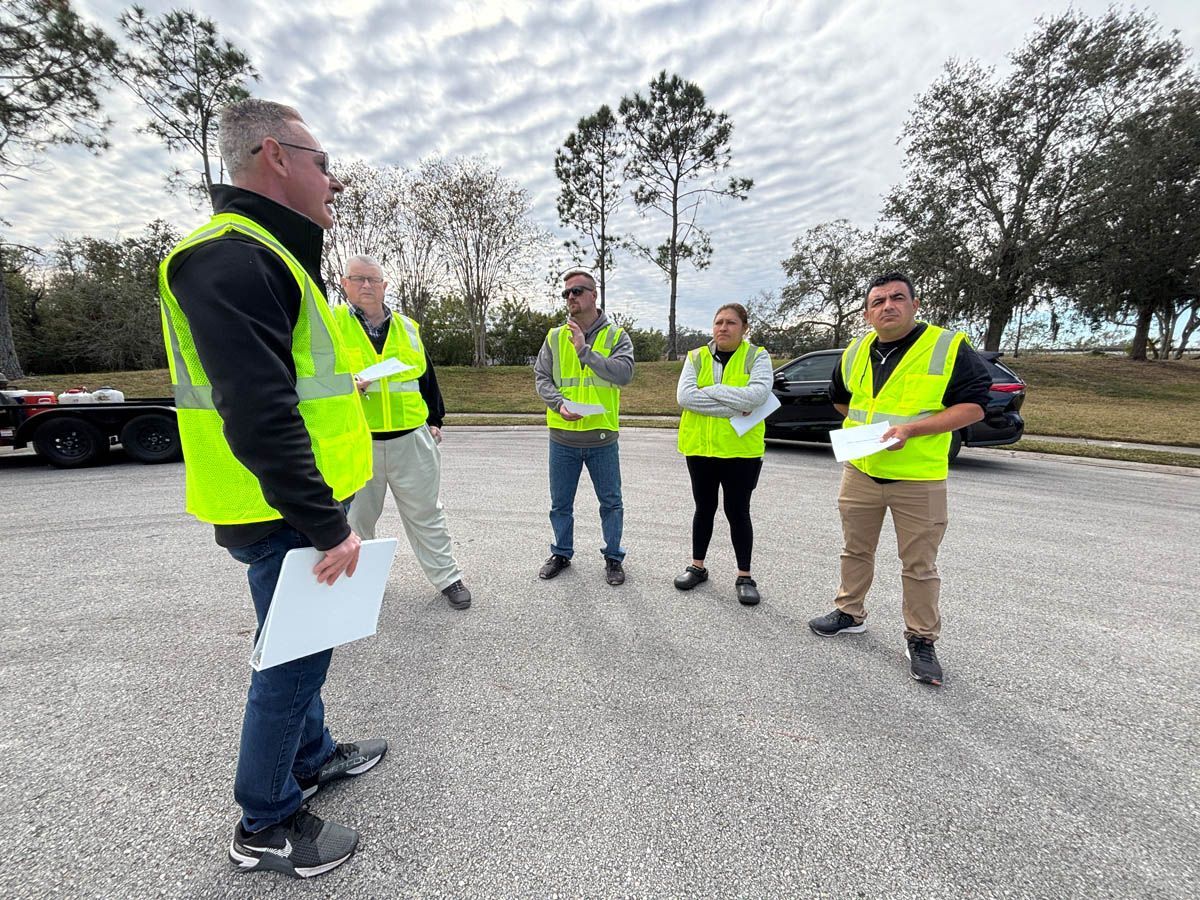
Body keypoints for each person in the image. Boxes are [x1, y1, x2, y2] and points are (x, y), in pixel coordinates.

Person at [159, 99, 387, 879]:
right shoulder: (228, 256)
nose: (334, 180)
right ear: (275, 155)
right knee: (290, 660)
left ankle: (313, 756)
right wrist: (327, 526)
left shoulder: (272, 253)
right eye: (324, 162)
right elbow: (258, 412)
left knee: (305, 644)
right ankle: (264, 821)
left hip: (289, 503)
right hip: (280, 509)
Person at [808, 272, 991, 686]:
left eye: (896, 298)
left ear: (915, 303)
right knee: (854, 550)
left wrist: (911, 431)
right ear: (868, 311)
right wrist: (868, 436)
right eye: (877, 301)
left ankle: (921, 638)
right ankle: (849, 612)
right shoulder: (856, 350)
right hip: (862, 471)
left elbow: (976, 406)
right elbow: (841, 399)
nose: (887, 306)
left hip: (918, 477)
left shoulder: (946, 346)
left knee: (919, 565)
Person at [332, 254, 472, 610]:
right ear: (344, 284)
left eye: (373, 280)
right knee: (356, 520)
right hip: (359, 439)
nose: (366, 286)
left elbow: (426, 377)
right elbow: (315, 377)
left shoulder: (408, 327)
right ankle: (358, 585)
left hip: (411, 439)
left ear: (384, 286)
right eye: (358, 279)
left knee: (427, 513)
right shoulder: (332, 325)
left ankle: (447, 577)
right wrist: (345, 386)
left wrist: (435, 419)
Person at [533, 268, 635, 586]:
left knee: (611, 503)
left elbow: (624, 374)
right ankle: (561, 553)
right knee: (560, 503)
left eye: (577, 291)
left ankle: (613, 558)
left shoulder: (617, 336)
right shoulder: (554, 337)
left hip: (601, 436)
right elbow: (542, 378)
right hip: (562, 437)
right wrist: (559, 404)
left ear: (594, 295)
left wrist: (584, 351)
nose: (570, 298)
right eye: (566, 293)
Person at [674, 303, 773, 605]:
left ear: (745, 328)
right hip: (700, 449)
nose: (723, 328)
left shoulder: (758, 356)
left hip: (741, 452)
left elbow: (758, 395)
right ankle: (697, 567)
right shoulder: (695, 357)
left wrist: (710, 391)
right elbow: (685, 398)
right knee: (703, 509)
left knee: (737, 512)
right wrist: (734, 402)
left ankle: (745, 576)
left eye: (731, 323)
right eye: (718, 322)